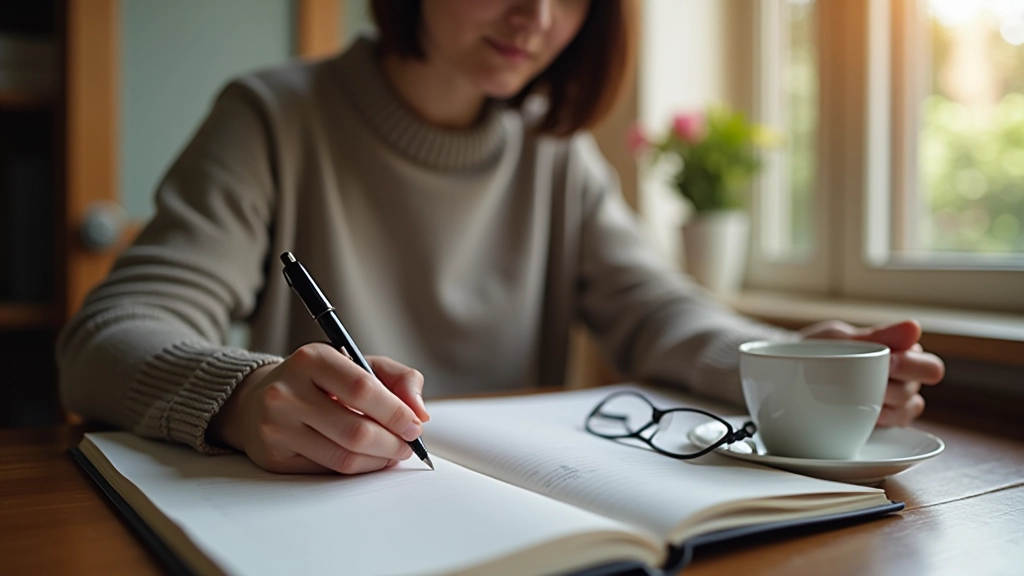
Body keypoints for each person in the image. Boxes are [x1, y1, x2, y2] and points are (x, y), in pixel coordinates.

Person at [57, 0, 944, 476]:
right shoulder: (271, 118)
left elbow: (661, 313)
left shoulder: (559, 159)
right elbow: (105, 340)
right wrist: (244, 396)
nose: (537, 17)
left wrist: (792, 361)